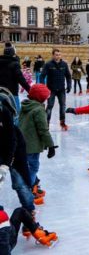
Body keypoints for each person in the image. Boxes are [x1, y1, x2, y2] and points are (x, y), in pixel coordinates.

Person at [18, 84, 57, 205]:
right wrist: (50, 146)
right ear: (40, 97)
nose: (47, 98)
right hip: (32, 145)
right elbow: (43, 130)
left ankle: (33, 182)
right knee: (33, 167)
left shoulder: (25, 106)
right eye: (45, 97)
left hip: (21, 143)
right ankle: (29, 188)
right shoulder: (38, 109)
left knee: (27, 167)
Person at [0, 89, 36, 217]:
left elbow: (12, 139)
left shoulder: (4, 111)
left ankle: (29, 211)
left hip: (14, 149)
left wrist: (6, 163)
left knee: (19, 183)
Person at [39, 49, 71, 131]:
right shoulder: (48, 64)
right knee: (50, 106)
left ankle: (62, 122)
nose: (58, 56)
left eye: (59, 55)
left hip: (61, 89)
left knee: (63, 106)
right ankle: (47, 123)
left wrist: (69, 85)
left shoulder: (64, 64)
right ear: (53, 55)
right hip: (51, 89)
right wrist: (43, 86)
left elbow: (68, 76)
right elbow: (42, 76)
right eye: (56, 55)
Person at [0, 44, 31, 115]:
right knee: (16, 113)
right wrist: (30, 90)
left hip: (0, 91)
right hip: (12, 93)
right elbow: (21, 79)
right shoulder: (14, 64)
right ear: (13, 54)